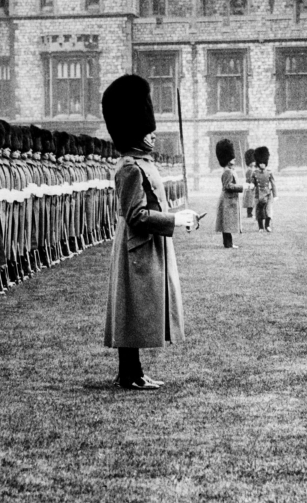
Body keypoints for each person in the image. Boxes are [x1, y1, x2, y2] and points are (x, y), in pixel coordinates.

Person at [102, 74, 197, 391]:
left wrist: (175, 216)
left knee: (138, 309)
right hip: (137, 247)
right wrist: (173, 220)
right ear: (134, 131)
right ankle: (129, 373)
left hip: (148, 246)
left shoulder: (143, 162)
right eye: (146, 129)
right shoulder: (130, 166)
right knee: (132, 310)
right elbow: (136, 215)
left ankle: (134, 372)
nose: (153, 134)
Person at [214, 139, 242, 249]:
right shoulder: (227, 171)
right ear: (227, 159)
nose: (234, 158)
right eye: (232, 157)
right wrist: (242, 187)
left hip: (229, 200)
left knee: (227, 223)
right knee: (227, 223)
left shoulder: (229, 170)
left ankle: (228, 243)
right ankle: (228, 244)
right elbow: (228, 186)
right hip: (227, 200)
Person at [251, 146, 276, 233]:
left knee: (268, 209)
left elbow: (273, 183)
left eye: (264, 163)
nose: (262, 164)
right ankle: (260, 227)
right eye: (260, 163)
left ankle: (267, 225)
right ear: (258, 163)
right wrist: (251, 185)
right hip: (258, 194)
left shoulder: (269, 172)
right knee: (259, 211)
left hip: (268, 194)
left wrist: (275, 195)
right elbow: (252, 182)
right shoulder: (254, 173)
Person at [243, 148, 256, 220]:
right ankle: (249, 214)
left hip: (251, 187)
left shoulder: (251, 169)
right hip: (249, 187)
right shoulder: (249, 170)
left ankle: (250, 213)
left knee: (251, 201)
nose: (254, 163)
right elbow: (249, 179)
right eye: (253, 162)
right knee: (250, 201)